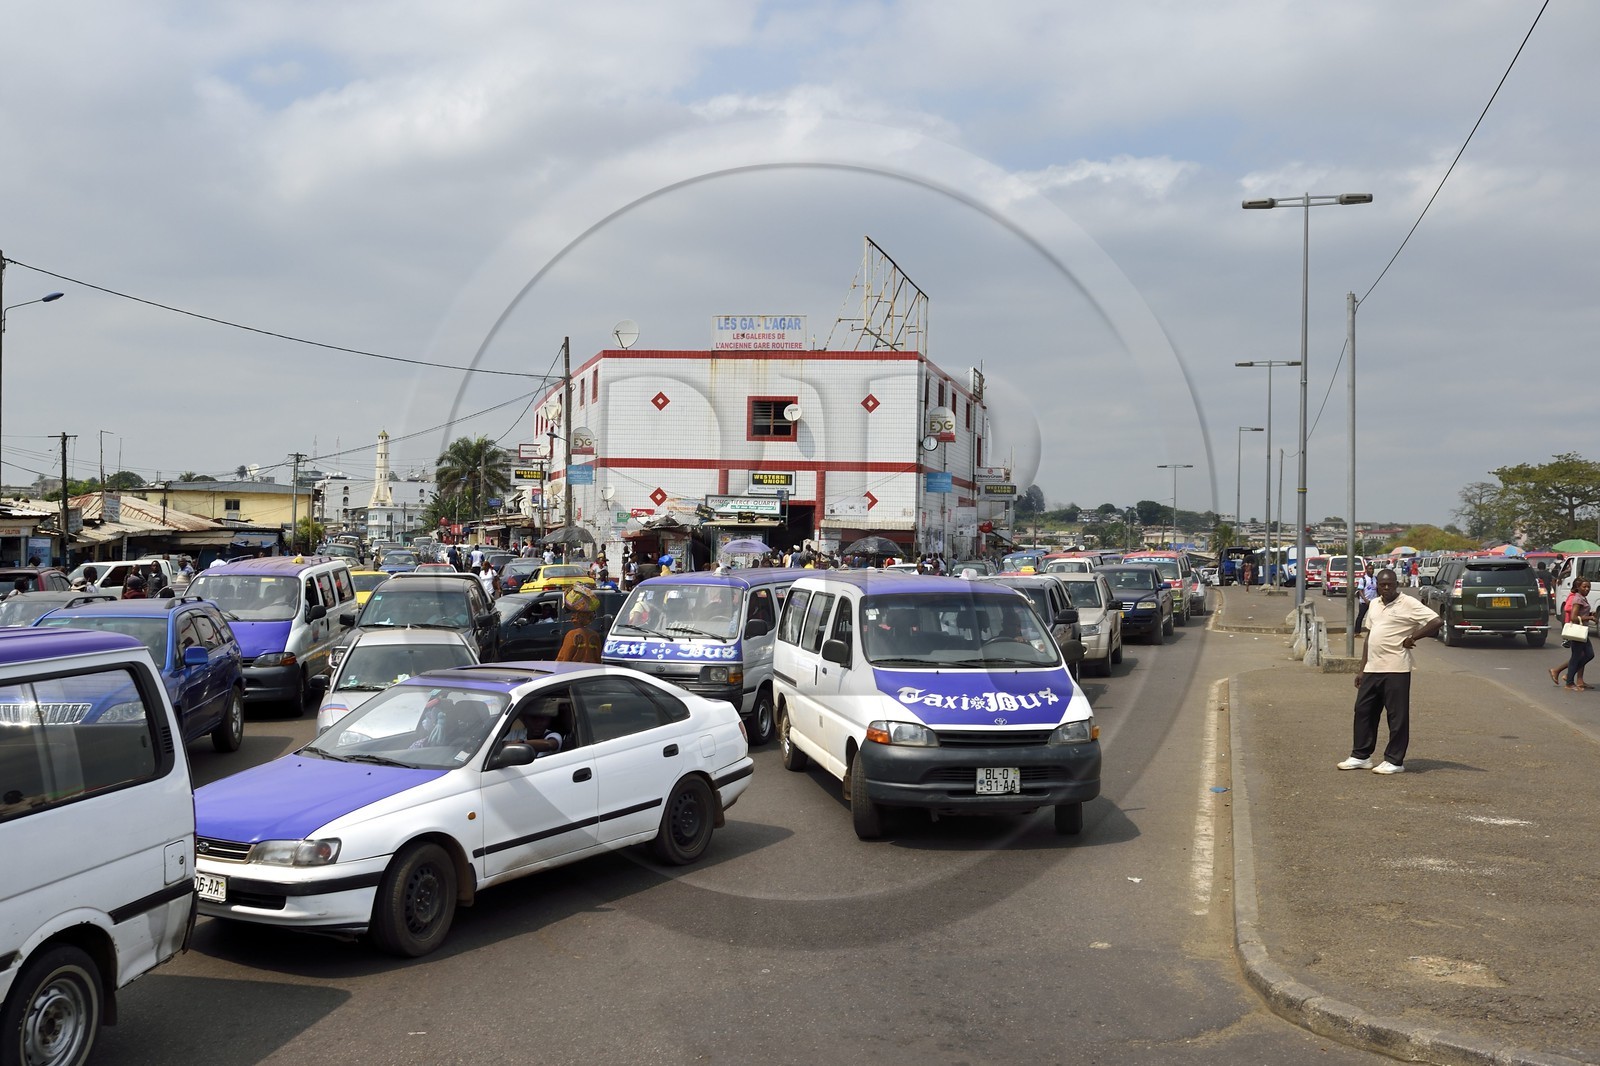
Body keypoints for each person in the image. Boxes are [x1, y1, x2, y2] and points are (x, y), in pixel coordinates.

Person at [1339, 568, 1443, 775]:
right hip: (1372, 669)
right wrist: (1361, 669)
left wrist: (1413, 637)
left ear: (1397, 584)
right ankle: (1361, 756)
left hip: (1396, 669)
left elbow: (1436, 621)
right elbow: (1371, 636)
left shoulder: (1408, 603)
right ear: (1377, 584)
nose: (1386, 588)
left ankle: (1394, 760)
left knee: (1396, 716)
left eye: (1390, 584)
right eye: (1382, 584)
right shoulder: (1375, 604)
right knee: (1363, 711)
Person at [1551, 578, 1594, 691]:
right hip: (1578, 631)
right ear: (1578, 587)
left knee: (1589, 654)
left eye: (1588, 587)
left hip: (1583, 631)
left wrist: (1589, 614)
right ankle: (1569, 682)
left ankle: (1568, 675)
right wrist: (1590, 617)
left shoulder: (1582, 598)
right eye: (1584, 587)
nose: (1587, 589)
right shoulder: (1578, 599)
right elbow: (1574, 617)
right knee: (1577, 657)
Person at [556, 585, 603, 663]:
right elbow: (598, 659)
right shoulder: (595, 635)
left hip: (575, 672)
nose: (571, 618)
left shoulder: (572, 635)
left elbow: (564, 658)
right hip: (591, 672)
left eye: (573, 615)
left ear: (576, 618)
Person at [1354, 566, 1378, 632]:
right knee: (1360, 617)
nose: (1371, 570)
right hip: (1364, 602)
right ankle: (1357, 632)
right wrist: (1365, 599)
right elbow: (1360, 591)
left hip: (1373, 601)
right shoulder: (1363, 579)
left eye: (1372, 569)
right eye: (1370, 569)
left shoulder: (1375, 578)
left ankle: (1373, 631)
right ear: (1366, 570)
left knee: (1374, 617)